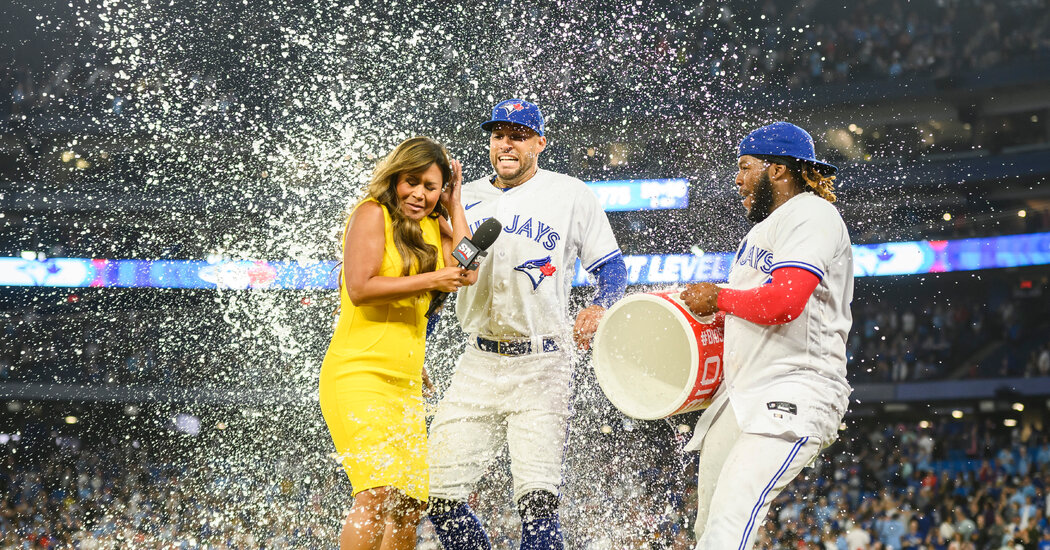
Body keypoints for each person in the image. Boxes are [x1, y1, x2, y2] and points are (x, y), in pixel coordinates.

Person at [426, 98, 628, 550]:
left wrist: (601, 304)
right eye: (499, 135)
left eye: (518, 135)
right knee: (437, 496)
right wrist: (417, 347)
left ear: (539, 142)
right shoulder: (464, 197)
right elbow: (442, 282)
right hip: (477, 361)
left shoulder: (571, 193)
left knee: (537, 503)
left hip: (543, 361)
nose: (507, 144)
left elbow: (612, 267)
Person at [679, 121, 854, 549]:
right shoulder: (761, 231)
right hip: (743, 394)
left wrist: (718, 297)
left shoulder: (813, 213)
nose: (737, 179)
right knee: (707, 529)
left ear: (776, 170)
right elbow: (744, 314)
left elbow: (783, 303)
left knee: (730, 522)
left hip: (795, 387)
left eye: (745, 167)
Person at [319, 136, 476, 550]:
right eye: (412, 182)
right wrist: (433, 279)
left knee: (408, 503)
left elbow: (469, 270)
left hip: (404, 382)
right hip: (358, 372)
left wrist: (455, 204)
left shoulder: (434, 224)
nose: (419, 194)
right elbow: (360, 287)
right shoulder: (372, 214)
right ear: (395, 178)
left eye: (431, 186)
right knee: (375, 493)